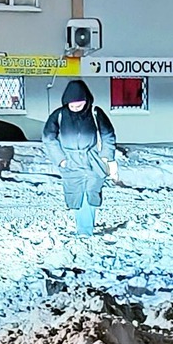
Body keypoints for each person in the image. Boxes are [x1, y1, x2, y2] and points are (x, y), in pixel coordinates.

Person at [41, 79, 118, 235]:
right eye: (72, 106)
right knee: (76, 194)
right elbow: (48, 138)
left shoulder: (95, 113)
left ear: (86, 101)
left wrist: (106, 157)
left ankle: (85, 229)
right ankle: (83, 227)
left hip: (92, 160)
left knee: (92, 192)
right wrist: (61, 160)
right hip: (70, 161)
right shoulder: (59, 115)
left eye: (79, 105)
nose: (76, 108)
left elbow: (108, 135)